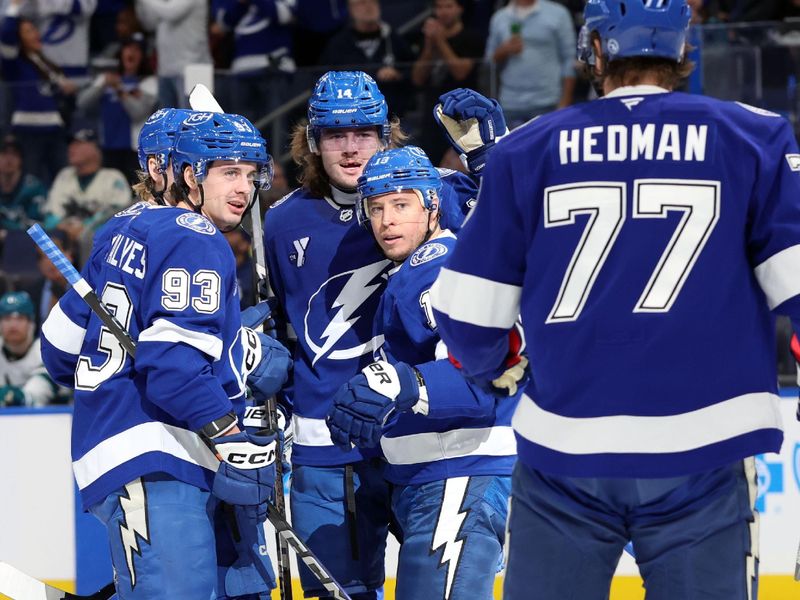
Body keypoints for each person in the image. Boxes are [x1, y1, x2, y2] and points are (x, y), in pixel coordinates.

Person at [429, 0, 800, 598]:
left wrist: (497, 366)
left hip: (565, 448)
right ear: (683, 51)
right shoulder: (752, 135)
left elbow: (467, 314)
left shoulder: (527, 148)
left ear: (595, 51)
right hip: (703, 447)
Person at [40, 111, 292, 599]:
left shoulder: (118, 230)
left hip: (131, 456)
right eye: (228, 172)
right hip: (160, 454)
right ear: (184, 173)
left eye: (249, 173)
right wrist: (229, 432)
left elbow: (57, 353)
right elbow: (173, 365)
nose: (244, 188)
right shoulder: (196, 237)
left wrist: (236, 347)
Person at [263, 70, 483, 599]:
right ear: (313, 143)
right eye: (336, 134)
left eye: (363, 132)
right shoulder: (282, 222)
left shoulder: (435, 190)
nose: (350, 146)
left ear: (386, 135)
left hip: (421, 434)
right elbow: (286, 320)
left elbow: (514, 236)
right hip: (327, 444)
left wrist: (484, 160)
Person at [326, 146, 518, 600]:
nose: (386, 220)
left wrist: (402, 384)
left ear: (433, 206)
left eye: (401, 204)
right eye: (376, 207)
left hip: (459, 471)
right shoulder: (420, 268)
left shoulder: (437, 265)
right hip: (438, 474)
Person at [43, 128, 132, 264]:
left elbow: (119, 217)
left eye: (78, 144)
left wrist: (85, 228)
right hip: (64, 242)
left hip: (99, 244)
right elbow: (50, 216)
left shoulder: (113, 178)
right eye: (71, 144)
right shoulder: (64, 176)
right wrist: (66, 229)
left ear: (95, 148)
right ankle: (55, 285)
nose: (71, 148)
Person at [411, 0, 485, 164]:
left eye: (449, 6)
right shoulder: (428, 39)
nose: (443, 12)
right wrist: (429, 45)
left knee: (462, 165)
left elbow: (461, 73)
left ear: (460, 9)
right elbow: (417, 78)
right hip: (432, 114)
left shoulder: (472, 37)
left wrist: (440, 41)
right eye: (439, 7)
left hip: (462, 114)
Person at [77, 34, 158, 183]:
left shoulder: (148, 83)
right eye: (128, 48)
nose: (131, 53)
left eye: (137, 50)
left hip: (133, 151)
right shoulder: (106, 79)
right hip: (106, 147)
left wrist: (120, 90)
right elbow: (82, 104)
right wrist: (101, 86)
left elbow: (138, 113)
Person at [485, 0, 576, 128]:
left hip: (548, 102)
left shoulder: (558, 14)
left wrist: (564, 103)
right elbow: (488, 62)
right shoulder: (499, 17)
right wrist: (503, 51)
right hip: (509, 103)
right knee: (508, 148)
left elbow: (569, 60)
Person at [319, 0, 417, 119]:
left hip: (394, 116)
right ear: (351, 9)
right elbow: (324, 80)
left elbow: (414, 72)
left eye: (373, 2)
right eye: (362, 2)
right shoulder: (338, 44)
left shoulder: (392, 39)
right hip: (350, 117)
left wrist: (397, 75)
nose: (369, 6)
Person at [0, 291, 62, 407]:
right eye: (7, 318)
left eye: (20, 318)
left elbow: (35, 396)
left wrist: (13, 395)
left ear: (31, 323)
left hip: (49, 420)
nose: (13, 325)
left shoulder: (47, 351)